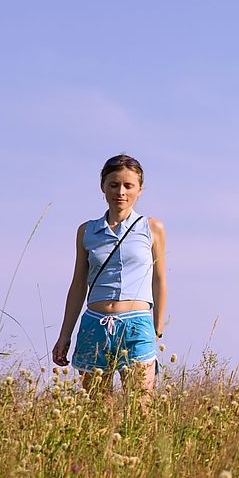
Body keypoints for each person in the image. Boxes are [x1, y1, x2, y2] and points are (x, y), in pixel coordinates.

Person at [51, 154, 167, 404]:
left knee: (140, 408)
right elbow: (78, 284)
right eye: (114, 185)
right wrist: (64, 335)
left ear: (140, 189)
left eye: (128, 185)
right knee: (97, 410)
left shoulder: (152, 227)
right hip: (95, 323)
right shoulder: (87, 230)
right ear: (103, 186)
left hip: (136, 323)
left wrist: (156, 329)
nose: (121, 192)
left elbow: (159, 280)